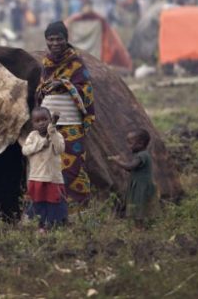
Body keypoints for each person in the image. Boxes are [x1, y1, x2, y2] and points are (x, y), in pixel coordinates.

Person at [36, 21, 95, 209]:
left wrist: (64, 84)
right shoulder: (46, 62)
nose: (55, 43)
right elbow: (41, 87)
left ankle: (78, 208)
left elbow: (86, 90)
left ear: (66, 39)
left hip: (71, 123)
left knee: (73, 165)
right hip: (50, 125)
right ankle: (54, 207)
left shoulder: (76, 62)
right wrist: (43, 89)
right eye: (51, 39)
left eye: (59, 39)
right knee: (49, 164)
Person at [22, 107, 67, 230]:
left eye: (44, 119)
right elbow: (25, 150)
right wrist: (41, 144)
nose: (41, 123)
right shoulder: (33, 136)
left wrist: (52, 133)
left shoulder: (56, 135)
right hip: (37, 177)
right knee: (38, 202)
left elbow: (60, 149)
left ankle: (53, 226)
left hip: (53, 178)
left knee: (54, 203)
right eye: (37, 121)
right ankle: (39, 226)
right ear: (33, 123)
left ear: (50, 120)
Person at [109, 129, 157, 228]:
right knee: (137, 205)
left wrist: (117, 161)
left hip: (142, 186)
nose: (128, 146)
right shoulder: (141, 155)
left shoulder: (142, 155)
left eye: (130, 143)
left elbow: (130, 167)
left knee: (139, 205)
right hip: (139, 185)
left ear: (140, 143)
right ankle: (139, 227)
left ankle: (139, 228)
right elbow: (131, 169)